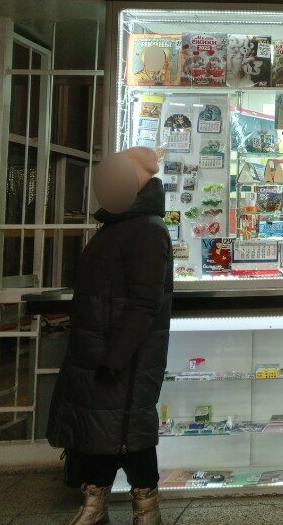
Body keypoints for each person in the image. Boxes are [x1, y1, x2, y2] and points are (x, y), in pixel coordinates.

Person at [47, 147, 173, 525]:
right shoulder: (120, 225)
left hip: (122, 356)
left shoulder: (145, 229)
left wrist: (115, 356)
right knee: (101, 430)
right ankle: (97, 504)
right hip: (102, 351)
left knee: (127, 433)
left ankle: (144, 510)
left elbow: (145, 302)